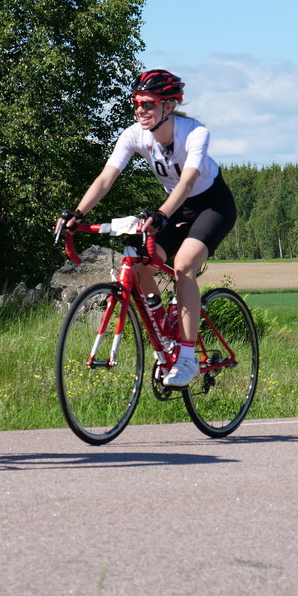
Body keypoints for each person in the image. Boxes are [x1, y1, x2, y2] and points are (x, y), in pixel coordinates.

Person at [60, 69, 237, 387]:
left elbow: (188, 180)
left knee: (183, 267)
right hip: (176, 208)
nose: (140, 109)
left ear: (169, 106)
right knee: (141, 265)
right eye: (137, 102)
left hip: (213, 206)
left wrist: (160, 213)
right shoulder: (134, 136)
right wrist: (76, 213)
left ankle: (185, 358)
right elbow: (106, 178)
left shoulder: (194, 132)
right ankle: (164, 336)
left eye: (149, 104)